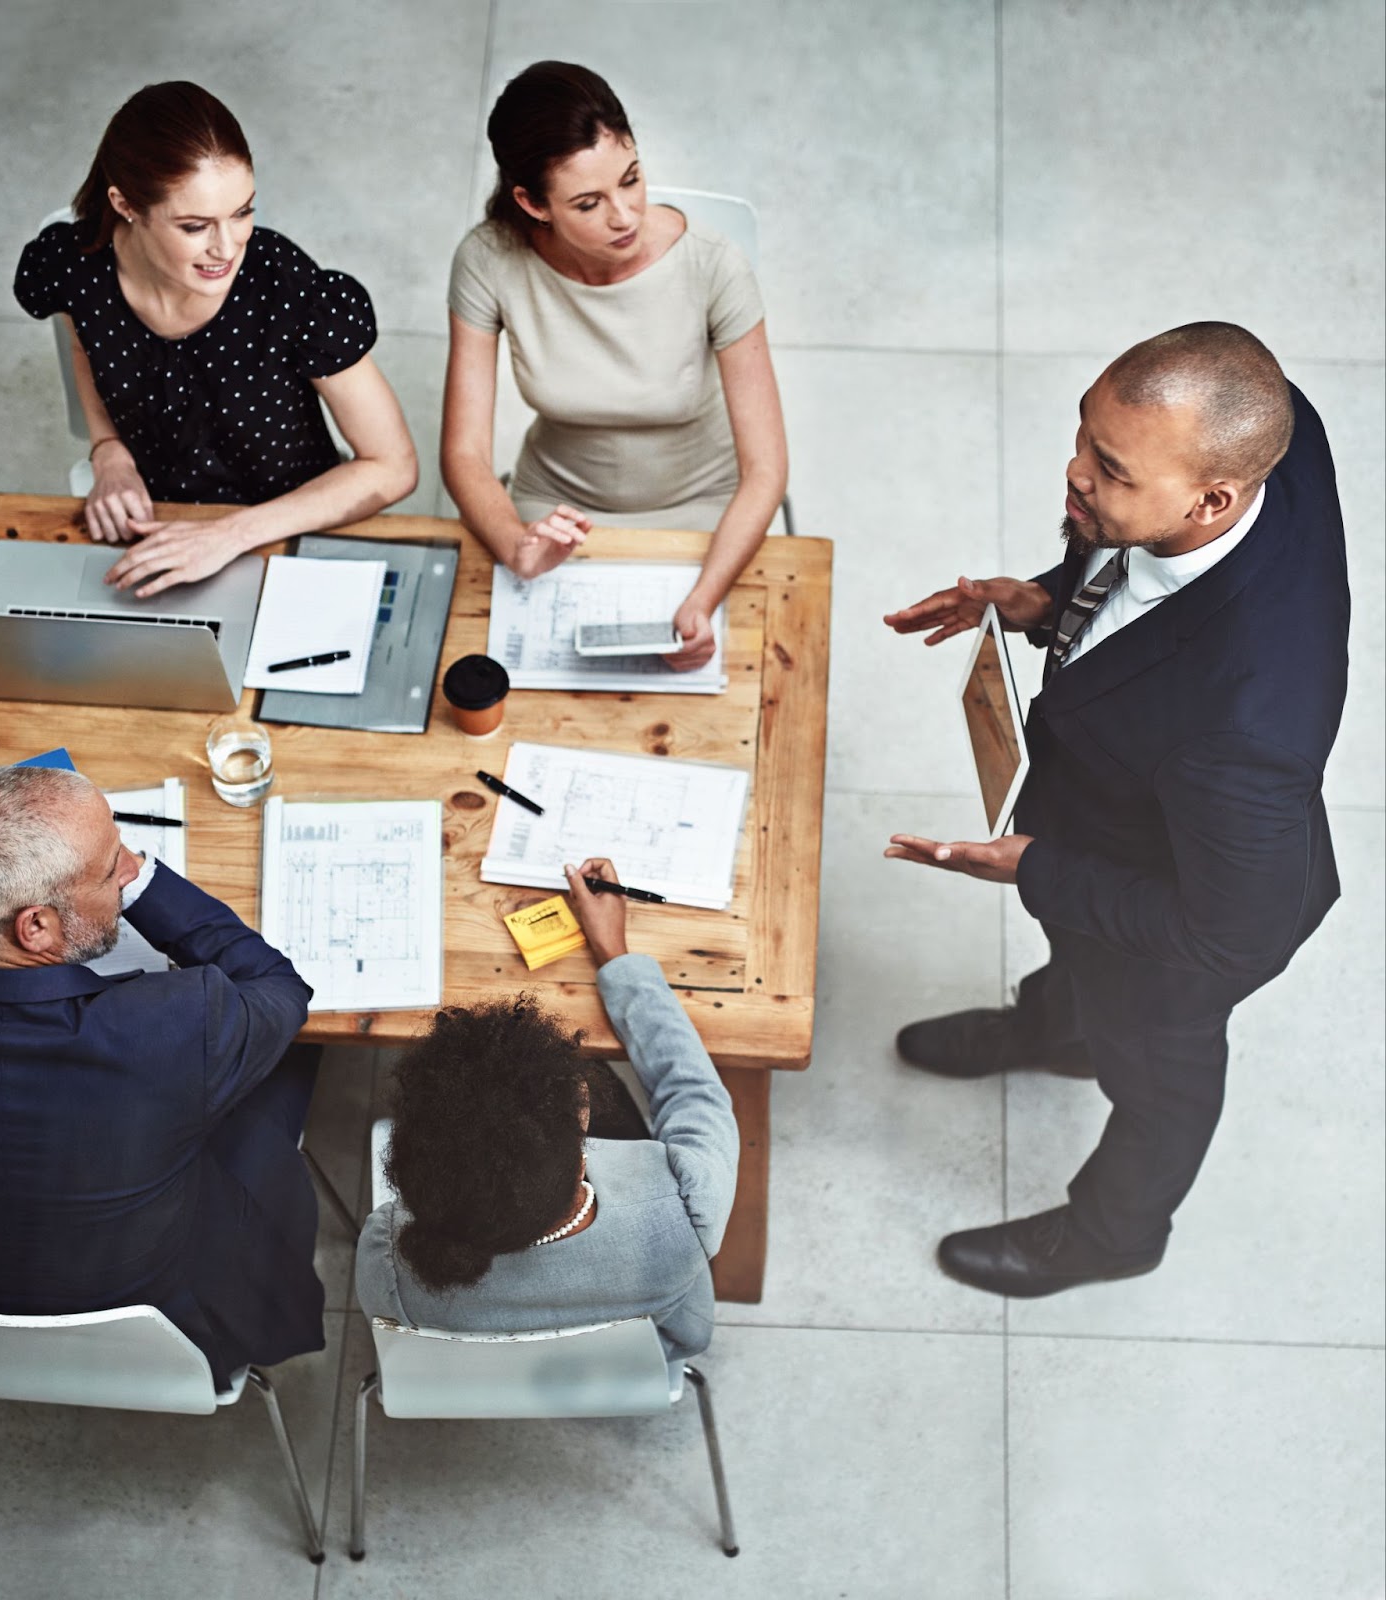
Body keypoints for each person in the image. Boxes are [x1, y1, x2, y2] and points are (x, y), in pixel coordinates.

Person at [880, 322, 1350, 1297]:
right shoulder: (1271, 426)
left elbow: (1231, 937)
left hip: (1191, 915)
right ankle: (1054, 1034)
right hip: (1125, 815)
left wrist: (1033, 869)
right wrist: (1041, 601)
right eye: (1081, 437)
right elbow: (1140, 580)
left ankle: (1113, 1234)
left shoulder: (1244, 729)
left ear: (1214, 496)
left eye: (1107, 467)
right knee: (1085, 973)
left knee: (1158, 1077)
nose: (1072, 473)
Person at [0, 764, 324, 1388]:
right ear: (35, 927)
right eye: (113, 866)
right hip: (168, 1328)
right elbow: (279, 986)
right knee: (294, 1057)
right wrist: (149, 889)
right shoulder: (169, 1029)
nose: (125, 871)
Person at [440, 61, 788, 671]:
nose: (625, 216)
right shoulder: (488, 260)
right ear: (532, 203)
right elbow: (464, 452)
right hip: (557, 508)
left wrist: (704, 600)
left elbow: (766, 469)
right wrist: (518, 546)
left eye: (631, 180)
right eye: (589, 202)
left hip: (705, 508)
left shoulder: (713, 265)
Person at [15, 81, 417, 598]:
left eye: (242, 212)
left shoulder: (286, 288)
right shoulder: (77, 267)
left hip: (285, 524)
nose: (226, 249)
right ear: (126, 205)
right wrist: (109, 451)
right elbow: (82, 345)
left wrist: (228, 537)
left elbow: (393, 465)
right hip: (154, 525)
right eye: (194, 226)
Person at [356, 859, 739, 1376]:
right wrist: (616, 955)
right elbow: (694, 1092)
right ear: (584, 1126)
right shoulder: (683, 1206)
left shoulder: (387, 1255)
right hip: (633, 1370)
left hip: (464, 1382)